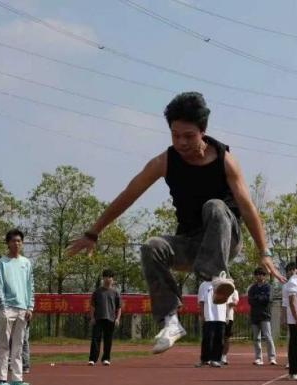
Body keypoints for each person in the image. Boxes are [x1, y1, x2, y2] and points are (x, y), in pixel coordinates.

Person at [66, 92, 283, 355]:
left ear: (203, 132)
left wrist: (265, 252)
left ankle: (217, 278)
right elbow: (129, 194)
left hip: (226, 239)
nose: (181, 142)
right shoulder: (165, 162)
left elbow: (248, 208)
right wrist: (93, 232)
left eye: (189, 136)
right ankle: (170, 322)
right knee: (151, 246)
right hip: (191, 243)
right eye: (175, 135)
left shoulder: (226, 161)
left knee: (214, 206)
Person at [0, 229, 34, 385]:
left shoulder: (26, 263)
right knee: (3, 344)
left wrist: (30, 306)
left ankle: (17, 379)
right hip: (7, 308)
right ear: (8, 243)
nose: (16, 244)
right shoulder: (2, 263)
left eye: (19, 241)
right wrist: (2, 305)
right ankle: (1, 379)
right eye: (13, 241)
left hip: (22, 309)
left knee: (18, 345)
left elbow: (30, 286)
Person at [89, 269, 122, 366]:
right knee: (95, 339)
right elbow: (92, 306)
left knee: (108, 340)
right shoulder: (97, 292)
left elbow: (119, 307)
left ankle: (106, 358)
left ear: (113, 279)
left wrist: (117, 319)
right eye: (106, 277)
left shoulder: (115, 292)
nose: (108, 279)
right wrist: (92, 318)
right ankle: (92, 359)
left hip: (111, 319)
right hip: (98, 318)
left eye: (110, 277)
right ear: (103, 278)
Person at [247, 267, 277, 366]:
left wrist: (258, 298)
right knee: (256, 338)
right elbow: (250, 300)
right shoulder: (252, 288)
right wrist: (259, 298)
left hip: (265, 315)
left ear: (265, 276)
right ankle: (258, 358)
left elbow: (267, 299)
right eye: (257, 274)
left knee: (268, 336)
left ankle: (272, 357)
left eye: (261, 274)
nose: (259, 276)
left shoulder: (268, 287)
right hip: (255, 315)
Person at [198, 277, 228, 367]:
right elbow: (201, 302)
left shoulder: (224, 284)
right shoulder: (204, 285)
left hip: (221, 316)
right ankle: (204, 359)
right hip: (209, 316)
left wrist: (226, 316)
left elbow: (227, 300)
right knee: (207, 338)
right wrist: (203, 315)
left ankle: (215, 359)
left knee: (219, 339)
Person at [221, 288, 239, 365]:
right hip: (218, 317)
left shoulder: (234, 291)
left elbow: (235, 303)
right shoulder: (219, 290)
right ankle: (215, 356)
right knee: (217, 337)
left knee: (226, 337)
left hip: (228, 317)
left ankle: (224, 356)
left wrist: (229, 303)